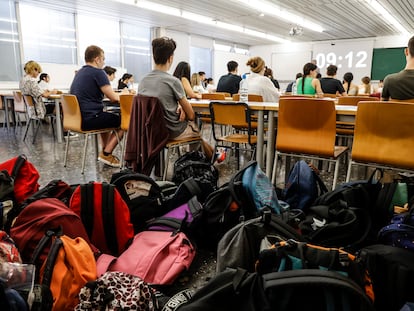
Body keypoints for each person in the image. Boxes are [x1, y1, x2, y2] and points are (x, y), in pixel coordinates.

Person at [138, 37, 215, 161]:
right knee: (195, 131)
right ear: (171, 58)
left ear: (154, 57)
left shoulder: (143, 80)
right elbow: (190, 115)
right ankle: (200, 163)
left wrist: (177, 106)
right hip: (170, 132)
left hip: (149, 132)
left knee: (195, 132)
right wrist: (182, 107)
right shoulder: (173, 81)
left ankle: (212, 156)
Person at [69, 45, 125, 167]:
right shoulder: (99, 72)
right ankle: (106, 153)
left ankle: (104, 151)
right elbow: (114, 98)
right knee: (126, 122)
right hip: (91, 118)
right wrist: (125, 95)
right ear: (97, 59)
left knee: (105, 117)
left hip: (77, 120)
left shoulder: (79, 73)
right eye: (103, 59)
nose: (104, 62)